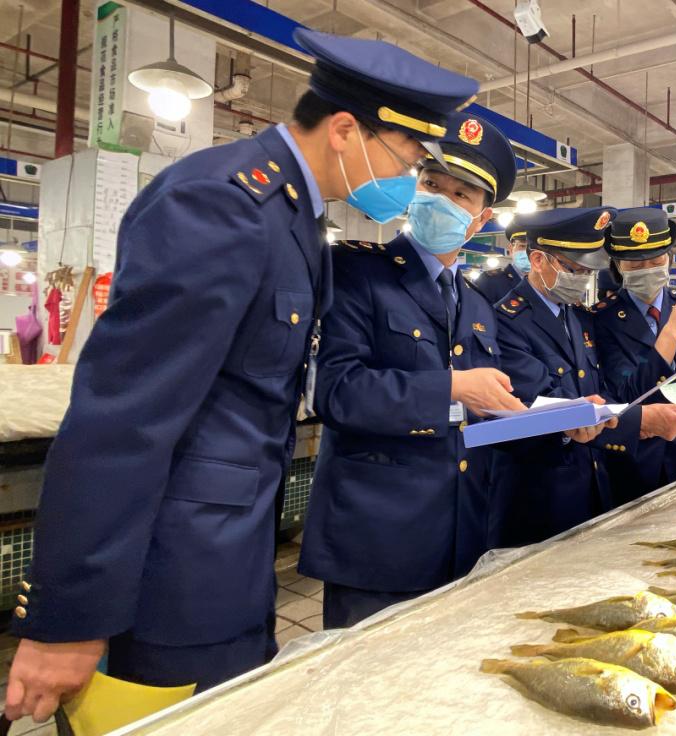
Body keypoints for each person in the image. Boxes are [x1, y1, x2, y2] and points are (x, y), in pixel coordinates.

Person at [3, 28, 481, 724]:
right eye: (409, 158)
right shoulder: (221, 205)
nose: (410, 180)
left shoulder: (293, 217)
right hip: (169, 577)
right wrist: (68, 618)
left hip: (230, 561)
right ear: (346, 131)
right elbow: (123, 420)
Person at [299, 113, 526, 628]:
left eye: (461, 195)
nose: (441, 199)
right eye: (432, 184)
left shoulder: (476, 305)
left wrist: (553, 422)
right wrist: (452, 386)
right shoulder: (357, 272)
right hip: (377, 541)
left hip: (461, 536)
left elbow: (475, 413)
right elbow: (335, 390)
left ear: (482, 219)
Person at [488, 207, 676, 547]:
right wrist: (640, 421)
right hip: (539, 493)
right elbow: (539, 407)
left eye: (587, 271)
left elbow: (601, 391)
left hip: (590, 482)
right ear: (538, 260)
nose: (581, 279)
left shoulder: (577, 317)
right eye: (573, 269)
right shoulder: (506, 322)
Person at [593, 209, 676, 503]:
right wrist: (671, 333)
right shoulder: (602, 319)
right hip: (636, 458)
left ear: (669, 259)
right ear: (618, 264)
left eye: (656, 261)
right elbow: (625, 392)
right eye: (636, 264)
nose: (648, 269)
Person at [475, 220, 530, 303]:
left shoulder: (545, 284)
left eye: (532, 248)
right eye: (522, 246)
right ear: (511, 249)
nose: (527, 252)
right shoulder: (490, 281)